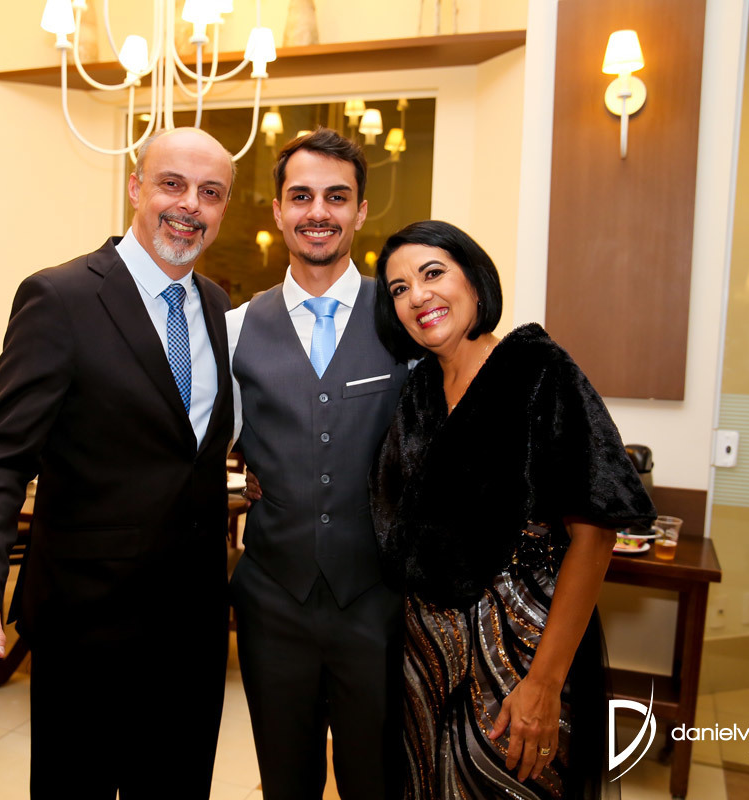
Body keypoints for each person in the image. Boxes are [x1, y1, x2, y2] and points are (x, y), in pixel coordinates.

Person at [0, 127, 237, 799]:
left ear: (223, 209)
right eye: (172, 184)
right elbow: (1, 460)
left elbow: (193, 449)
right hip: (88, 626)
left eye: (210, 192)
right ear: (135, 188)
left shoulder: (216, 305)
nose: (190, 204)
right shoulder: (60, 297)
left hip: (194, 631)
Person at [369, 220, 656, 799]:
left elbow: (595, 535)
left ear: (475, 282)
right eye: (399, 288)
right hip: (425, 659)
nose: (417, 295)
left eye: (432, 273)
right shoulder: (418, 390)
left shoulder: (537, 371)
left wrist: (544, 684)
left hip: (519, 652)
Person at [227, 128, 408, 800]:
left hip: (378, 601)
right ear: (278, 210)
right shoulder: (236, 328)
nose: (318, 211)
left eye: (337, 196)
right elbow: (198, 444)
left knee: (377, 780)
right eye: (301, 196)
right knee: (285, 782)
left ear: (361, 211)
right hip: (274, 601)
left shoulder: (404, 322)